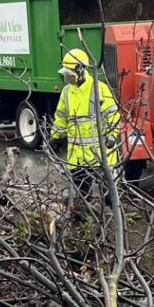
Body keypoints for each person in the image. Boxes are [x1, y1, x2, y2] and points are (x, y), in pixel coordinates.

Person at [50, 48, 121, 200]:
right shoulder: (66, 92)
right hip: (77, 157)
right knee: (83, 198)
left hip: (101, 155)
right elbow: (61, 117)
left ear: (80, 70)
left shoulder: (99, 88)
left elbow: (113, 115)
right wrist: (55, 136)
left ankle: (109, 221)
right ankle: (85, 218)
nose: (69, 78)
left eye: (70, 75)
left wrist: (112, 136)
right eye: (66, 75)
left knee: (109, 199)